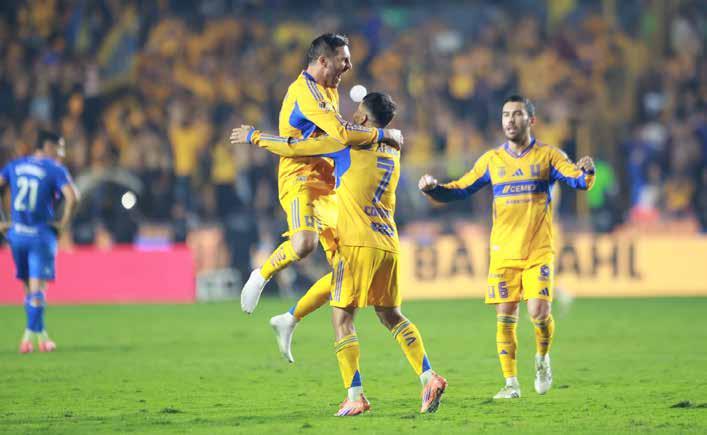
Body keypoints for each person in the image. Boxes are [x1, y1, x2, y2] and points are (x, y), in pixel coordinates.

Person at [232, 92, 446, 416]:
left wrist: (254, 136)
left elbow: (295, 148)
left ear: (363, 118)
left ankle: (355, 396)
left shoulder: (347, 144)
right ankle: (429, 377)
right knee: (391, 316)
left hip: (357, 243)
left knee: (342, 319)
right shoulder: (393, 147)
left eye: (357, 112)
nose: (353, 116)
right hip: (388, 242)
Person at [237, 33, 402, 363]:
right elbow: (335, 136)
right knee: (304, 244)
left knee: (346, 267)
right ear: (324, 61)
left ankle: (289, 318)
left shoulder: (331, 88)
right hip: (300, 177)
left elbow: (331, 138)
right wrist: (385, 133)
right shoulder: (307, 93)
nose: (349, 66)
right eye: (344, 60)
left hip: (327, 179)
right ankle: (262, 274)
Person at [419, 95, 595, 399]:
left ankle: (542, 358)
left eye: (516, 114)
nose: (510, 120)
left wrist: (587, 171)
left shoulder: (549, 156)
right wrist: (435, 189)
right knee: (505, 315)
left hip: (538, 249)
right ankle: (511, 383)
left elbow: (578, 181)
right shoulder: (491, 160)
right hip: (503, 253)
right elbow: (461, 189)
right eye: (505, 115)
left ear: (531, 120)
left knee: (538, 312)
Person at [0, 131, 79, 353]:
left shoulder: (15, 165)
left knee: (28, 289)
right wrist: (63, 224)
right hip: (40, 236)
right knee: (37, 289)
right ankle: (26, 338)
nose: (62, 153)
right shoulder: (55, 169)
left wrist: (2, 221)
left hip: (16, 235)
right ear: (48, 147)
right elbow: (74, 197)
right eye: (60, 147)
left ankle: (42, 337)